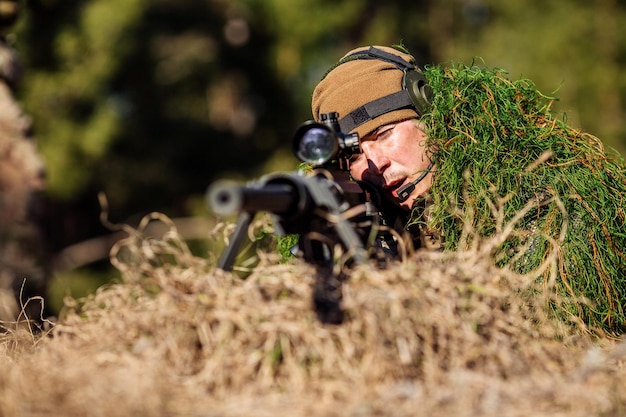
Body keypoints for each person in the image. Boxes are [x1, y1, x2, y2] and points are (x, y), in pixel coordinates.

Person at [310, 45, 626, 335]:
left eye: (385, 134)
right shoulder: (377, 226)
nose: (376, 162)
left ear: (427, 114)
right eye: (355, 154)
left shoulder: (542, 204)